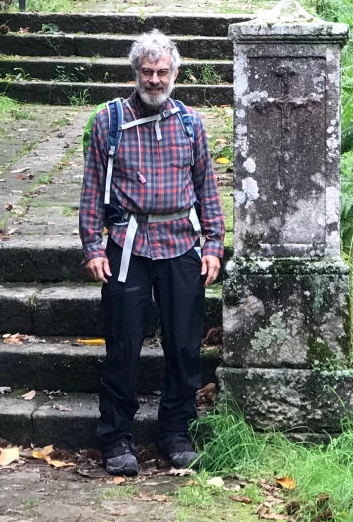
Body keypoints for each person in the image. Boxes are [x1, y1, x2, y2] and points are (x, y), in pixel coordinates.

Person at [79, 29, 225, 477]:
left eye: (163, 72)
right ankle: (117, 437)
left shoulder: (190, 123)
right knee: (123, 346)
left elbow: (206, 186)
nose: (156, 80)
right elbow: (91, 188)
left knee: (184, 346)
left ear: (175, 73)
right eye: (148, 72)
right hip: (128, 247)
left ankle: (175, 433)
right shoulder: (109, 121)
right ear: (135, 74)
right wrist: (92, 246)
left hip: (182, 243)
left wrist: (214, 244)